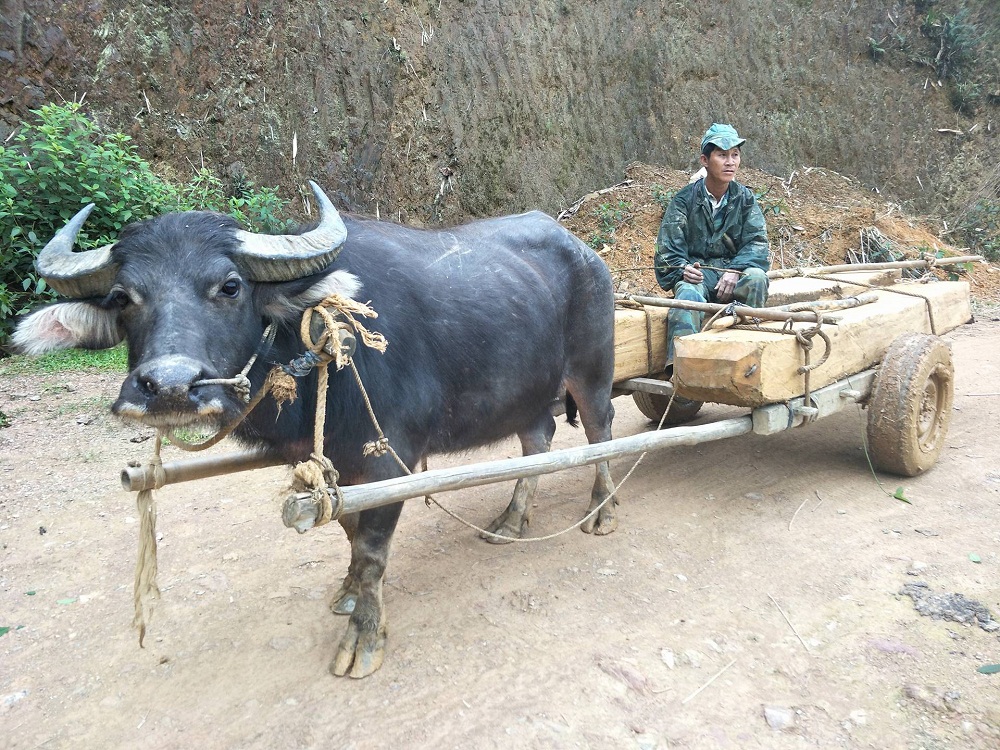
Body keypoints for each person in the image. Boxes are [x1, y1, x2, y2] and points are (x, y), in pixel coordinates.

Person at [654, 123, 770, 372]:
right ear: (705, 160)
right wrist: (684, 269)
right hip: (701, 275)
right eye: (722, 155)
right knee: (687, 294)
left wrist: (736, 270)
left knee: (757, 278)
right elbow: (667, 251)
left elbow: (757, 243)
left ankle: (751, 357)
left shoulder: (745, 199)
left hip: (733, 273)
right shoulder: (684, 200)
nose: (730, 162)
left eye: (735, 155)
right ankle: (683, 368)